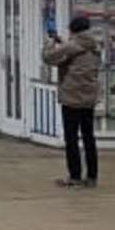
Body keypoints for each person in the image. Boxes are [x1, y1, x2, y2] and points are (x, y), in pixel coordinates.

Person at [42, 16, 103, 187]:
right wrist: (64, 43)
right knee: (89, 137)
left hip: (72, 97)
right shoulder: (96, 46)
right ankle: (92, 177)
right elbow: (77, 58)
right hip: (89, 97)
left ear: (73, 30)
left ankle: (75, 176)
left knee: (71, 138)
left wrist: (50, 43)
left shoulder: (71, 46)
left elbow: (49, 58)